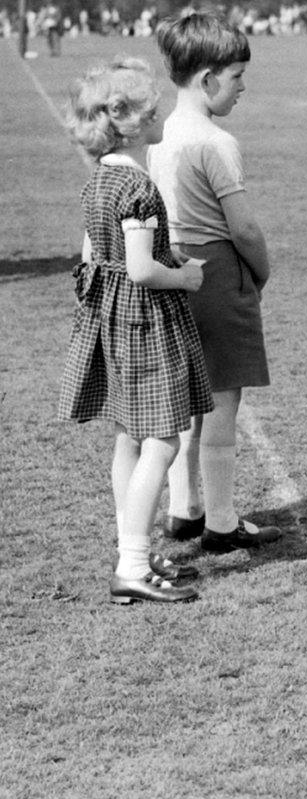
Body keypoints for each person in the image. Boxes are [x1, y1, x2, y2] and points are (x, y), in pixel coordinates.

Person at [58, 59, 212, 603]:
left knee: (128, 435)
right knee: (164, 440)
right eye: (152, 109)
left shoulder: (100, 179)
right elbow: (143, 270)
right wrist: (185, 276)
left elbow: (97, 254)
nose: (161, 112)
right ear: (128, 121)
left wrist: (152, 259)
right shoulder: (139, 188)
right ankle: (130, 565)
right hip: (146, 320)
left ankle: (136, 551)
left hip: (112, 318)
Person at [147, 11, 282, 554]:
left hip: (170, 268)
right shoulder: (215, 142)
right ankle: (222, 520)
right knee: (223, 401)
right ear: (207, 80)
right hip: (217, 272)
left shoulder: (156, 137)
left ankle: (185, 508)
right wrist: (261, 270)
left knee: (184, 399)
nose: (243, 88)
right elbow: (243, 226)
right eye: (236, 77)